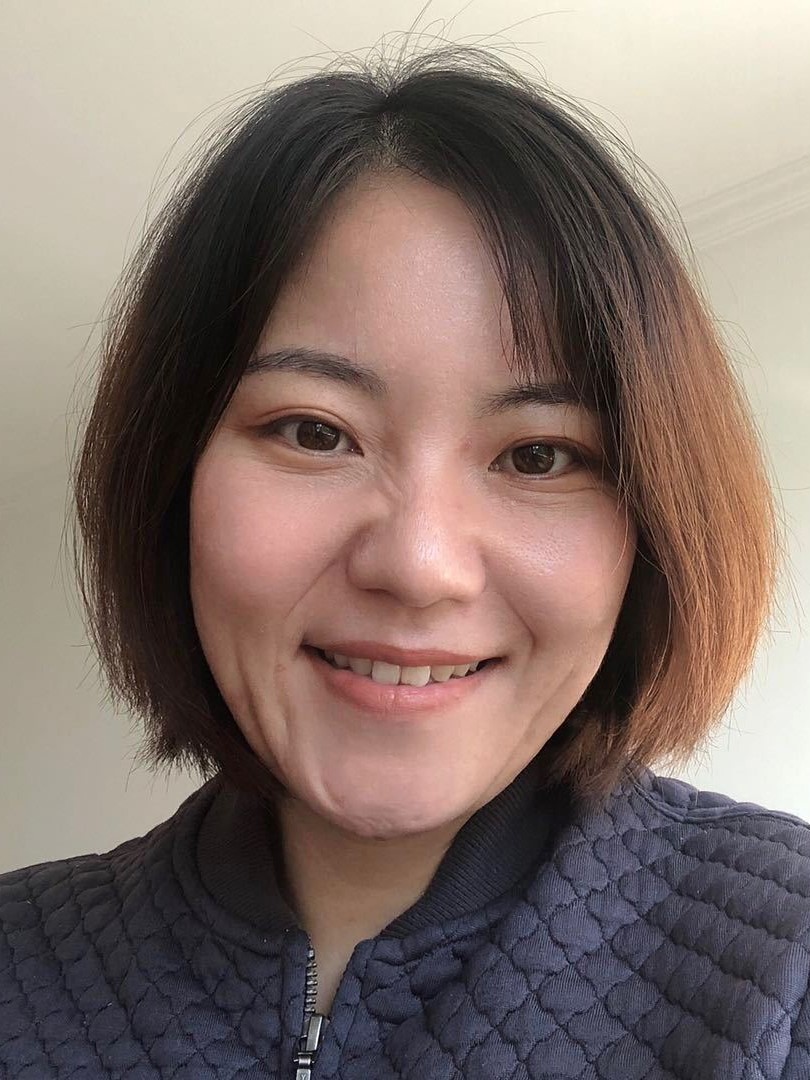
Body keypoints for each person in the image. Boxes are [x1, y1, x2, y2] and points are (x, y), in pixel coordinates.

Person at [1, 43, 808, 1080]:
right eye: (314, 432)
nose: (420, 567)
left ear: (653, 524)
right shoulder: (21, 964)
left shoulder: (785, 969)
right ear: (170, 478)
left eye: (538, 455)